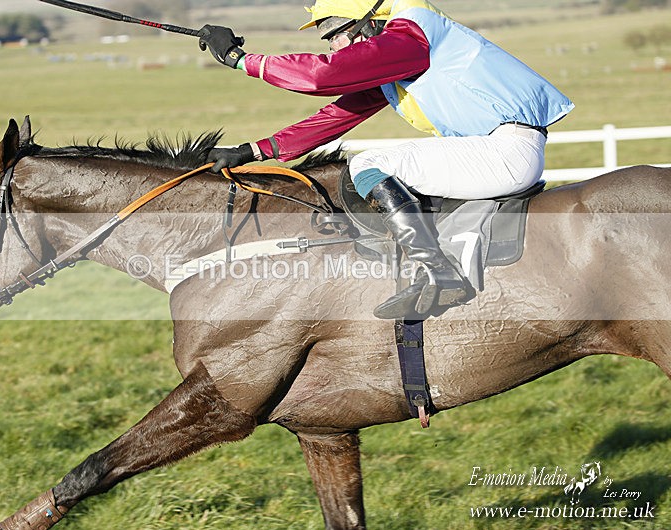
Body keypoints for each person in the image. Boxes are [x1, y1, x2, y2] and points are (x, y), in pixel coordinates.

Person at [197, 0, 574, 319]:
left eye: (335, 33)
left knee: (368, 164)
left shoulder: (412, 36)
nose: (333, 45)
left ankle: (437, 272)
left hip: (503, 152)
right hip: (497, 150)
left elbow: (322, 76)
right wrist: (254, 150)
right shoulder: (400, 60)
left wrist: (239, 59)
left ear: (369, 24)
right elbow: (337, 115)